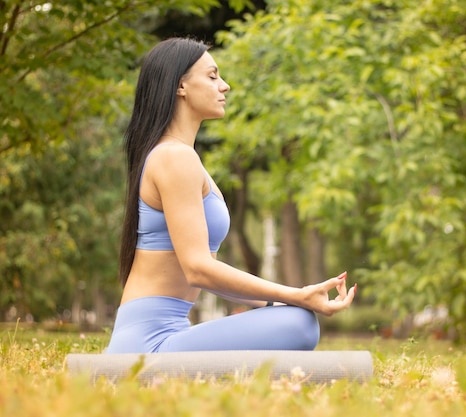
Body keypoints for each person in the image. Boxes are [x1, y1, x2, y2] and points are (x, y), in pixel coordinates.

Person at [105, 37, 356, 354]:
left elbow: (207, 271)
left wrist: (283, 299)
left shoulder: (183, 157)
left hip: (169, 333)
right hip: (146, 344)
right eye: (212, 76)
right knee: (299, 323)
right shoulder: (174, 158)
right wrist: (296, 295)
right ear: (180, 86)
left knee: (294, 316)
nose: (225, 86)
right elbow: (198, 269)